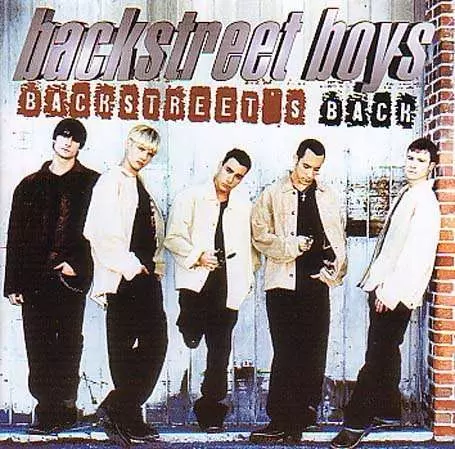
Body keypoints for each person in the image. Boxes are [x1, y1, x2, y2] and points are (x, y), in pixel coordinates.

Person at [331, 137, 441, 449]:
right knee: (388, 351)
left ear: (432, 166)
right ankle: (388, 411)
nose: (412, 165)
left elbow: (415, 256)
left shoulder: (425, 202)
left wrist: (389, 293)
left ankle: (356, 423)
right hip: (386, 288)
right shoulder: (410, 193)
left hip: (395, 293)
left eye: (420, 161)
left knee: (376, 357)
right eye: (410, 158)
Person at [4, 118, 99, 433]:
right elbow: (16, 235)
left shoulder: (92, 183)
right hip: (34, 279)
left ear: (81, 145)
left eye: (74, 138)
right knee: (38, 342)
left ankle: (66, 407)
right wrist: (13, 284)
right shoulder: (29, 184)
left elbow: (100, 230)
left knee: (69, 342)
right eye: (63, 135)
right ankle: (45, 410)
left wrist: (79, 266)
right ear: (54, 139)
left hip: (69, 279)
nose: (68, 142)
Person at [249, 139, 347, 443]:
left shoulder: (328, 195)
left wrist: (334, 270)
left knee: (313, 352)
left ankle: (303, 415)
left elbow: (339, 236)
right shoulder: (272, 193)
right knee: (286, 352)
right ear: (295, 158)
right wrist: (292, 246)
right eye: (306, 166)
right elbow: (259, 236)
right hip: (282, 284)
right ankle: (280, 420)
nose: (309, 174)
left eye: (316, 169)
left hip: (316, 284)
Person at [83, 124, 167, 444]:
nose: (144, 156)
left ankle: (121, 409)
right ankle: (124, 414)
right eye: (141, 149)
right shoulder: (111, 181)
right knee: (124, 350)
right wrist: (132, 267)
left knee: (154, 344)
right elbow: (98, 233)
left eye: (151, 153)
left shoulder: (139, 182)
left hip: (144, 276)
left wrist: (153, 268)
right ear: (128, 143)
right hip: (125, 277)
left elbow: (151, 229)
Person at [164, 149, 256, 432]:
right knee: (192, 331)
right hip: (196, 282)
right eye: (229, 171)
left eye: (238, 176)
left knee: (220, 349)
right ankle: (188, 326)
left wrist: (248, 277)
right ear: (219, 165)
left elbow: (249, 246)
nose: (231, 179)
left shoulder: (243, 206)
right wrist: (198, 256)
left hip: (227, 285)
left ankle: (211, 410)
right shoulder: (190, 197)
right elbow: (173, 238)